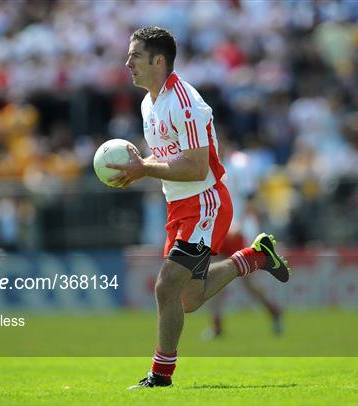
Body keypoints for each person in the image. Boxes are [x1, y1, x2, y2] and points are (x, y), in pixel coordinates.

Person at [107, 27, 290, 389]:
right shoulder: (149, 102)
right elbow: (168, 158)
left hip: (204, 201)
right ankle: (254, 256)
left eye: (135, 56)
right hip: (178, 205)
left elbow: (196, 166)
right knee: (187, 300)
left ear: (159, 61)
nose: (127, 62)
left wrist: (143, 169)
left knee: (165, 287)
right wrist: (140, 167)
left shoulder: (185, 101)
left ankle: (160, 376)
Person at [204, 147, 283, 340]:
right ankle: (217, 325)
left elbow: (250, 197)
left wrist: (240, 222)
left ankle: (272, 310)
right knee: (212, 276)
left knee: (245, 281)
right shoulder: (207, 167)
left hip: (235, 230)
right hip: (217, 230)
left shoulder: (238, 164)